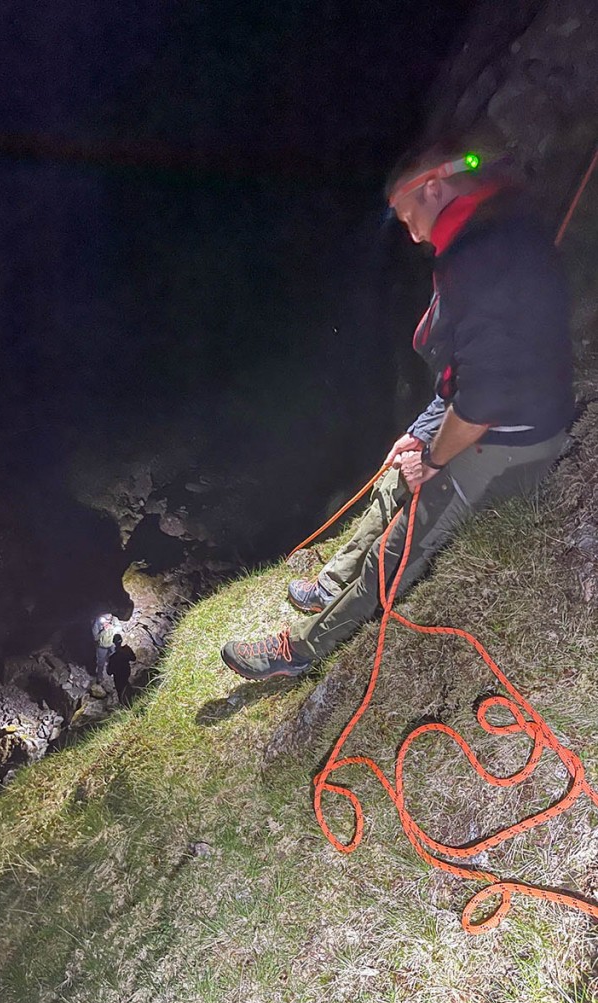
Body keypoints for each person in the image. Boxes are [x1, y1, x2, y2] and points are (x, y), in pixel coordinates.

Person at [221, 141, 574, 681]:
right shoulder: (483, 234)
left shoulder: (485, 254)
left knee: (398, 545)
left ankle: (301, 651)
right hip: (485, 412)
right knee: (393, 479)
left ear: (432, 188)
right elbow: (464, 372)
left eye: (409, 217)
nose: (411, 234)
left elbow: (484, 400)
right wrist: (417, 436)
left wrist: (432, 461)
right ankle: (331, 584)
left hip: (512, 437)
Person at [92, 612, 123, 682]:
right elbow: (95, 638)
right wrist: (104, 630)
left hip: (112, 644)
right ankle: (99, 675)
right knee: (100, 662)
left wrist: (112, 627)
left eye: (109, 619)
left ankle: (113, 671)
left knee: (114, 658)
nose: (108, 621)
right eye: (106, 620)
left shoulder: (114, 619)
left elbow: (119, 628)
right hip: (102, 646)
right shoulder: (97, 622)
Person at [107, 634, 136, 702]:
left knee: (120, 692)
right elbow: (133, 658)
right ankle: (132, 700)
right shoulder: (127, 649)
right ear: (121, 640)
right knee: (126, 686)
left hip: (118, 676)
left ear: (113, 642)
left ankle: (124, 704)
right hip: (126, 672)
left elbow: (109, 672)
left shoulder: (112, 657)